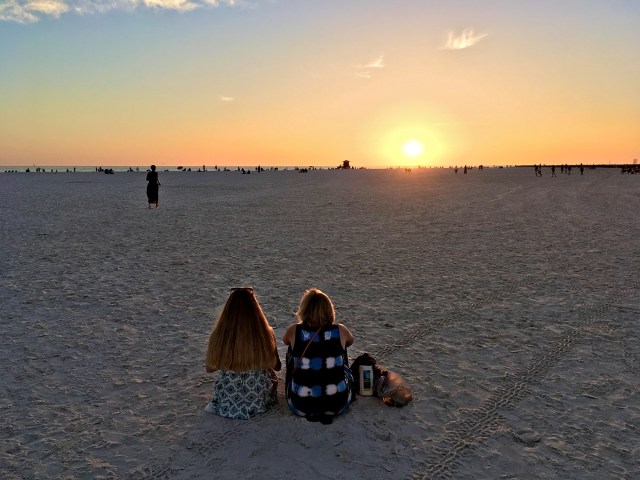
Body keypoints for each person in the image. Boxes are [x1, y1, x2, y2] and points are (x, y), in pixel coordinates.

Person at [204, 287, 281, 419]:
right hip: (259, 399)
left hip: (228, 398)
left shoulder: (219, 335)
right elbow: (277, 366)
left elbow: (210, 368)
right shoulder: (266, 333)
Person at [282, 288, 354, 424]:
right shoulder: (340, 330)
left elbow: (285, 341)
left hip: (300, 404)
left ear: (304, 310)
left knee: (291, 351)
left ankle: (303, 384)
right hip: (337, 403)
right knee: (341, 349)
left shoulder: (294, 330)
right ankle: (330, 385)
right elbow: (350, 341)